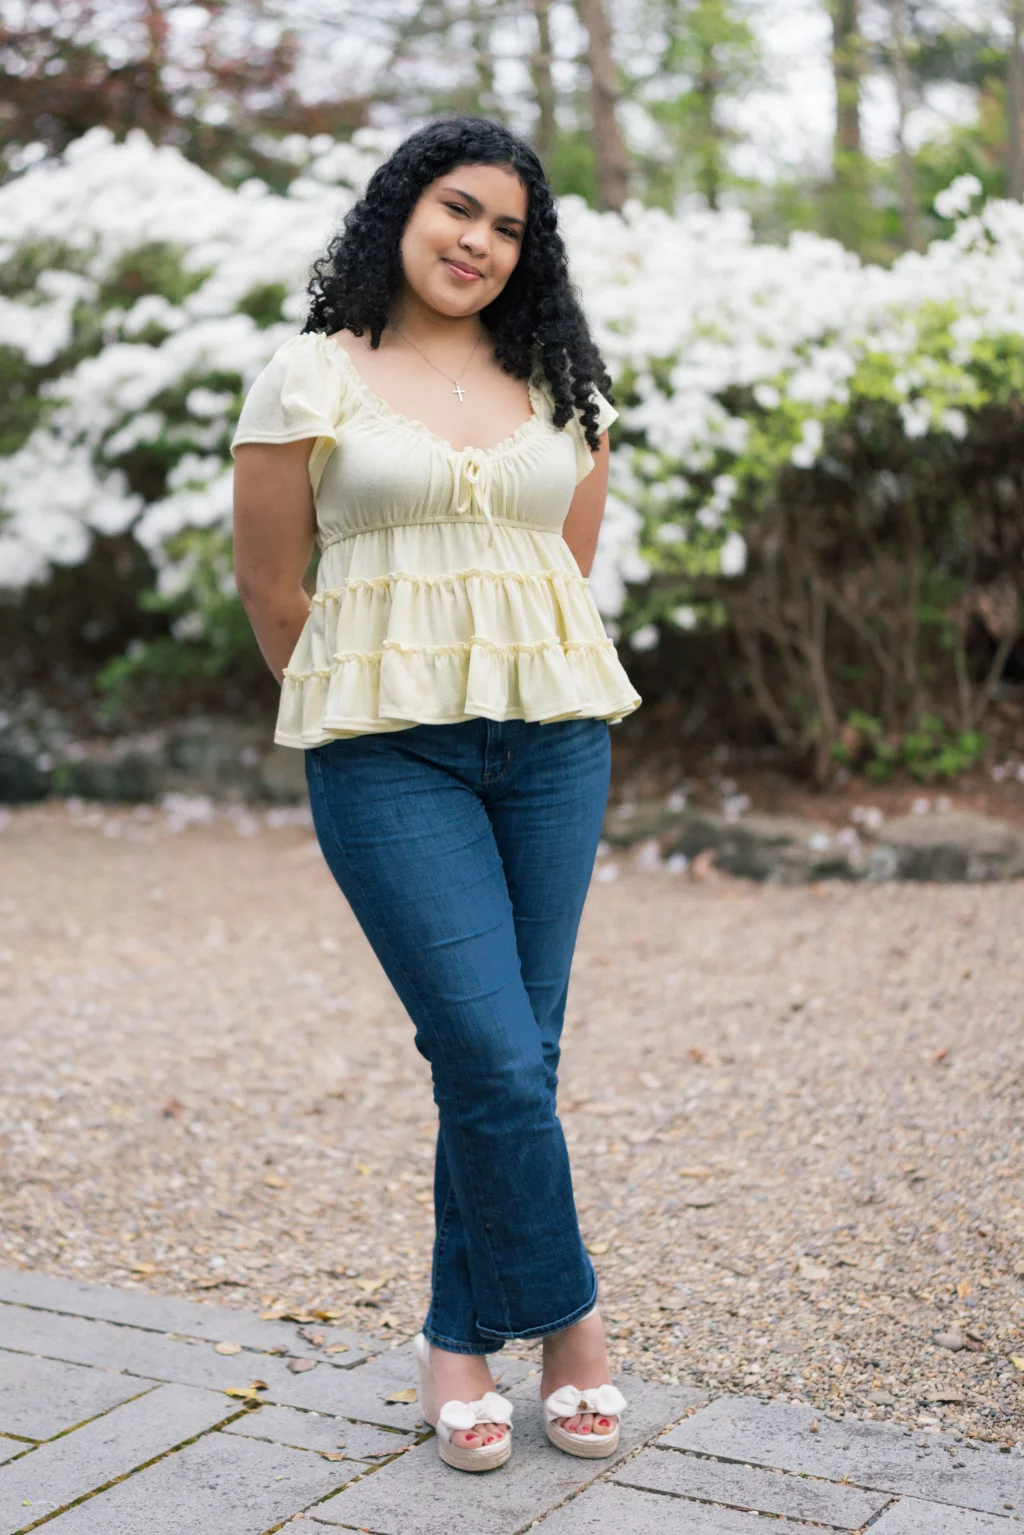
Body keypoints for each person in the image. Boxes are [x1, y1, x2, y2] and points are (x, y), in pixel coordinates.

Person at [230, 115, 640, 1474]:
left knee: (515, 1054)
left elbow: (560, 572)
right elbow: (272, 590)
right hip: (387, 754)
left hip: (553, 743)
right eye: (458, 208)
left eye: (509, 228)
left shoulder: (565, 385)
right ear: (401, 209)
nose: (479, 242)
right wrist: (364, 695)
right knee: (491, 1051)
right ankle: (572, 1322)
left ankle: (457, 1342)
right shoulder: (312, 373)